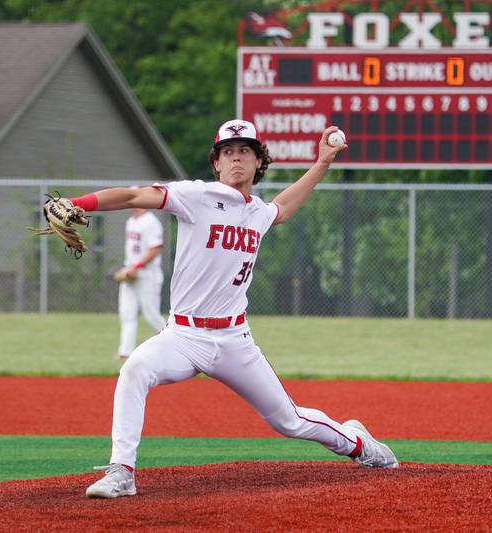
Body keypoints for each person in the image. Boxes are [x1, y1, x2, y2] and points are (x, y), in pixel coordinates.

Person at [69, 119, 398, 499]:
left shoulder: (258, 212)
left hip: (233, 340)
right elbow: (131, 197)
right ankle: (121, 471)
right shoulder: (196, 196)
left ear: (259, 162)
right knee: (135, 369)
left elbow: (285, 207)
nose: (236, 158)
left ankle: (360, 445)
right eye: (228, 152)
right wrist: (77, 204)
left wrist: (322, 162)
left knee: (289, 420)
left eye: (245, 151)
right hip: (183, 335)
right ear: (216, 164)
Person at [115, 207, 167, 360]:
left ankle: (174, 346)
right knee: (127, 313)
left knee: (151, 315)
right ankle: (125, 352)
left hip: (147, 274)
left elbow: (155, 249)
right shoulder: (130, 221)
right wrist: (129, 268)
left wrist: (137, 266)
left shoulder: (151, 222)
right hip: (130, 272)